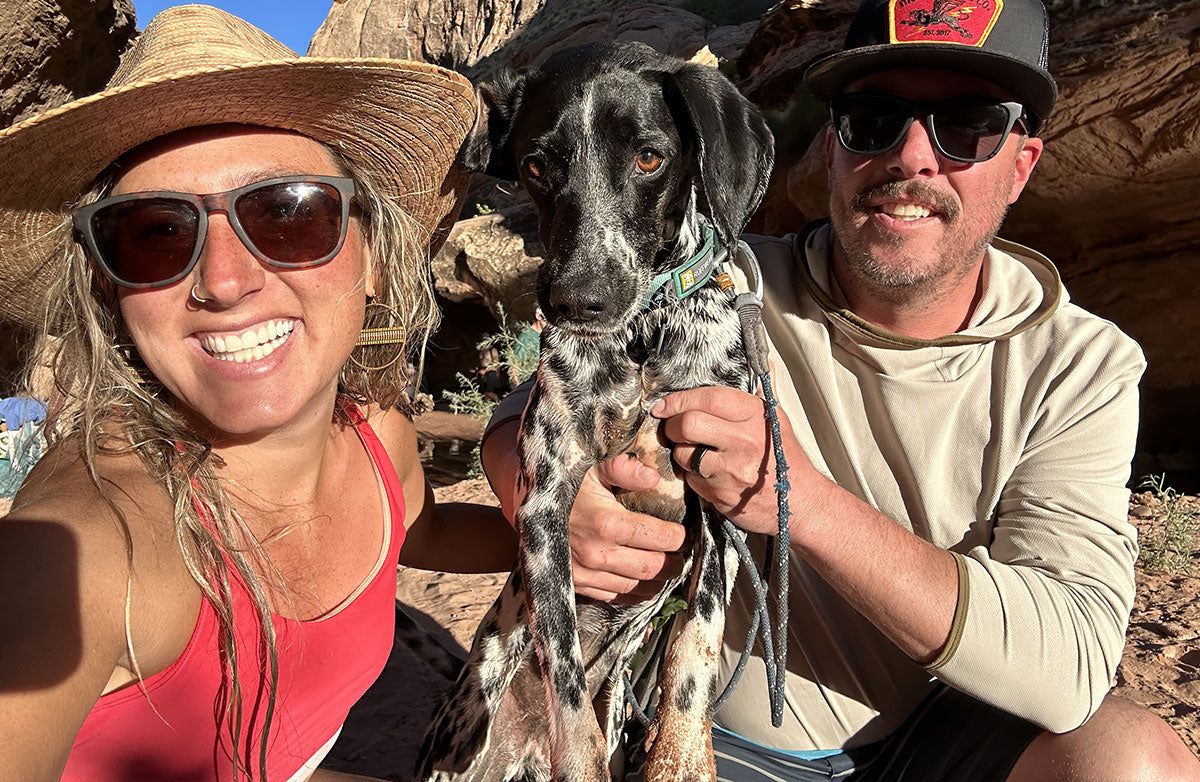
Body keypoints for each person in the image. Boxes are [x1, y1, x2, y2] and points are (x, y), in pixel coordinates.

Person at [480, 0, 1200, 779]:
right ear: (831, 148)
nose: (913, 157)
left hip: (931, 737)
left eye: (970, 125)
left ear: (1022, 165)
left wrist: (805, 502)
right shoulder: (714, 286)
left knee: (1136, 760)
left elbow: (1070, 666)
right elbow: (540, 409)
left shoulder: (1082, 364)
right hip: (718, 744)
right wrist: (518, 475)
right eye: (875, 119)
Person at [0, 5, 515, 781]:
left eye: (287, 214)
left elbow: (424, 533)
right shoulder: (90, 548)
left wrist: (559, 534)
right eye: (156, 233)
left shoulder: (378, 436)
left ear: (372, 257)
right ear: (110, 290)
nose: (225, 281)